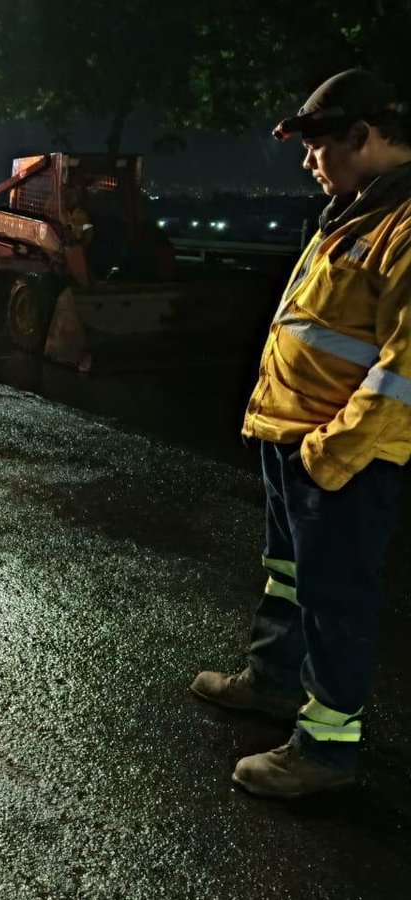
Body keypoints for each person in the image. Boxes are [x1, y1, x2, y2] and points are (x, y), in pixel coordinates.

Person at [191, 69, 411, 799]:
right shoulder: (354, 215)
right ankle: (273, 680)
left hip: (340, 459)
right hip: (294, 443)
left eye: (319, 145)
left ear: (365, 136)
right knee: (288, 574)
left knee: (334, 598)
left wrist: (328, 455)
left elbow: (403, 373)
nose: (309, 160)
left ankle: (325, 750)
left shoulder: (403, 227)